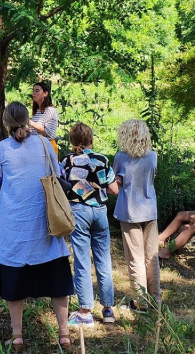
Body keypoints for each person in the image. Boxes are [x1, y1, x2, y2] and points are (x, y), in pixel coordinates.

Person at [0, 102, 74, 352]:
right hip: (44, 220)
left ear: (5, 123)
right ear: (28, 120)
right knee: (56, 276)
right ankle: (64, 335)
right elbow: (57, 171)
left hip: (14, 222)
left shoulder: (0, 149)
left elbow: (3, 177)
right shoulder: (43, 143)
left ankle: (17, 336)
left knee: (13, 275)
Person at [61, 123, 118, 327]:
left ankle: (85, 311)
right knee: (104, 259)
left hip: (78, 212)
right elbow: (114, 189)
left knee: (82, 261)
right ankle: (108, 308)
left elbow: (62, 185)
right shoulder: (102, 160)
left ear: (72, 141)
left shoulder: (67, 161)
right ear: (91, 139)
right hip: (100, 212)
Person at [113, 118, 160, 311]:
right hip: (149, 209)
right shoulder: (152, 156)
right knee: (152, 255)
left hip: (129, 210)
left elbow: (117, 181)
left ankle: (140, 301)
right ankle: (156, 298)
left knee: (136, 258)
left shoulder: (121, 158)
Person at [29, 80, 59, 156]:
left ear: (45, 93)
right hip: (37, 149)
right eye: (33, 91)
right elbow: (35, 131)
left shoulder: (51, 110)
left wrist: (30, 123)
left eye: (37, 91)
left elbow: (49, 133)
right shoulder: (37, 112)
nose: (34, 93)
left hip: (48, 148)